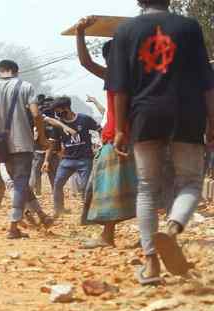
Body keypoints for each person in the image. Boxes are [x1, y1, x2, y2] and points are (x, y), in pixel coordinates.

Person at [107, 0, 214, 282]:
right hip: (188, 114)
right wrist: (212, 121)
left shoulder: (125, 31)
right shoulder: (189, 27)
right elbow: (207, 82)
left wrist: (120, 128)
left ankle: (151, 264)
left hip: (144, 114)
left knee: (146, 188)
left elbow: (119, 86)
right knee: (190, 182)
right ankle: (173, 228)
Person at [74, 16, 138, 252]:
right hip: (133, 139)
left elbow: (85, 62)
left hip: (117, 139)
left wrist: (81, 32)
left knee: (108, 191)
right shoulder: (140, 76)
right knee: (139, 191)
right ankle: (146, 235)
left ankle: (107, 235)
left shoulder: (116, 75)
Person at [0, 60, 53, 239]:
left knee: (21, 183)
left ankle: (42, 216)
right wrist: (41, 137)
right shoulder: (26, 86)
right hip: (23, 143)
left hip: (0, 145)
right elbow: (36, 114)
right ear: (17, 72)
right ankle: (13, 227)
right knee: (20, 182)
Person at [44, 96, 102, 219]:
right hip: (67, 160)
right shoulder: (58, 125)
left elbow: (100, 130)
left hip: (85, 160)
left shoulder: (84, 119)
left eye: (58, 110)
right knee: (58, 184)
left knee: (85, 187)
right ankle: (58, 210)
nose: (57, 113)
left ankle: (87, 213)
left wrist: (103, 145)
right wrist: (46, 161)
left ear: (66, 108)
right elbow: (52, 143)